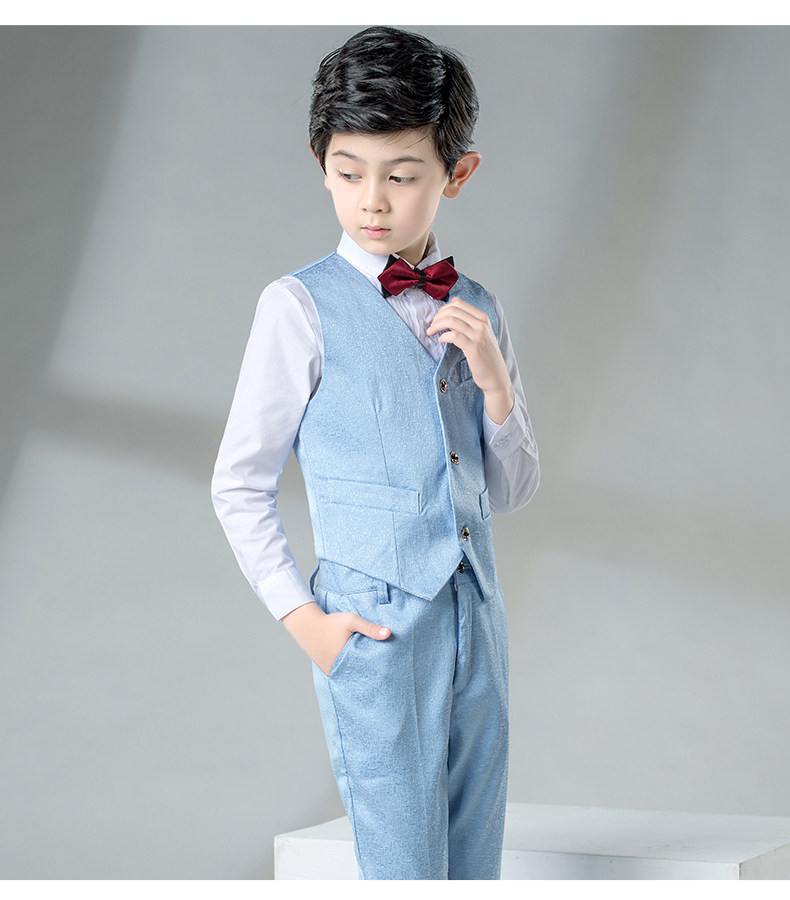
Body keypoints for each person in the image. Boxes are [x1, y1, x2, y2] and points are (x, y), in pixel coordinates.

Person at [211, 26, 540, 880]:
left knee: (474, 865)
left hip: (478, 619)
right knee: (403, 871)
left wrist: (496, 386)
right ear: (321, 165)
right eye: (349, 172)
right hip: (375, 631)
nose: (373, 201)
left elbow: (510, 491)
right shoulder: (297, 307)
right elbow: (238, 484)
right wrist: (308, 625)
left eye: (401, 175)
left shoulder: (479, 307)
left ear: (457, 174)